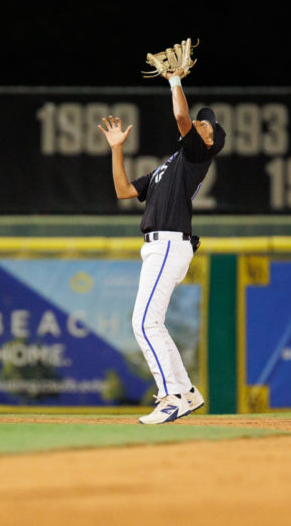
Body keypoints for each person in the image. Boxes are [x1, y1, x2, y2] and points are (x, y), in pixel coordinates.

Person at [98, 60, 225, 424]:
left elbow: (182, 120)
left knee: (144, 322)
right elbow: (124, 191)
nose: (201, 123)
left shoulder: (198, 155)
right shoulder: (166, 166)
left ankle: (172, 396)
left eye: (207, 124)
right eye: (201, 119)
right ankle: (183, 391)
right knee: (149, 322)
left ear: (210, 139)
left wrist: (174, 81)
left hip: (170, 243)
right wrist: (116, 149)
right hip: (157, 246)